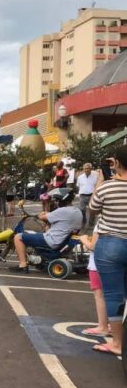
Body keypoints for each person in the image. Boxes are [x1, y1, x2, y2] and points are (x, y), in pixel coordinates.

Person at [87, 148, 127, 357]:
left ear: (117, 163)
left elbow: (93, 208)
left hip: (111, 243)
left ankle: (117, 343)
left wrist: (102, 180)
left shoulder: (108, 187)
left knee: (113, 294)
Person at [11, 188, 83, 273]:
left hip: (52, 241)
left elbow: (42, 216)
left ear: (61, 200)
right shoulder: (77, 211)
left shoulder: (62, 211)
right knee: (37, 233)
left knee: (18, 237)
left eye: (56, 200)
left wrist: (44, 213)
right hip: (63, 241)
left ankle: (22, 265)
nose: (55, 202)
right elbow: (50, 216)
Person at [79, 232, 110, 338]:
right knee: (116, 295)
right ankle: (114, 325)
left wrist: (83, 239)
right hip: (117, 263)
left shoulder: (102, 223)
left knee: (99, 296)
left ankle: (103, 326)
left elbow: (93, 247)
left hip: (99, 263)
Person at [76, 162, 98, 229]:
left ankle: (91, 225)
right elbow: (78, 186)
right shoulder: (80, 177)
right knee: (82, 209)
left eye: (88, 168)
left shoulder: (95, 177)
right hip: (82, 195)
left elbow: (96, 186)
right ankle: (83, 221)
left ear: (91, 169)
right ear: (83, 169)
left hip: (91, 195)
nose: (86, 170)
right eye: (85, 168)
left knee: (92, 210)